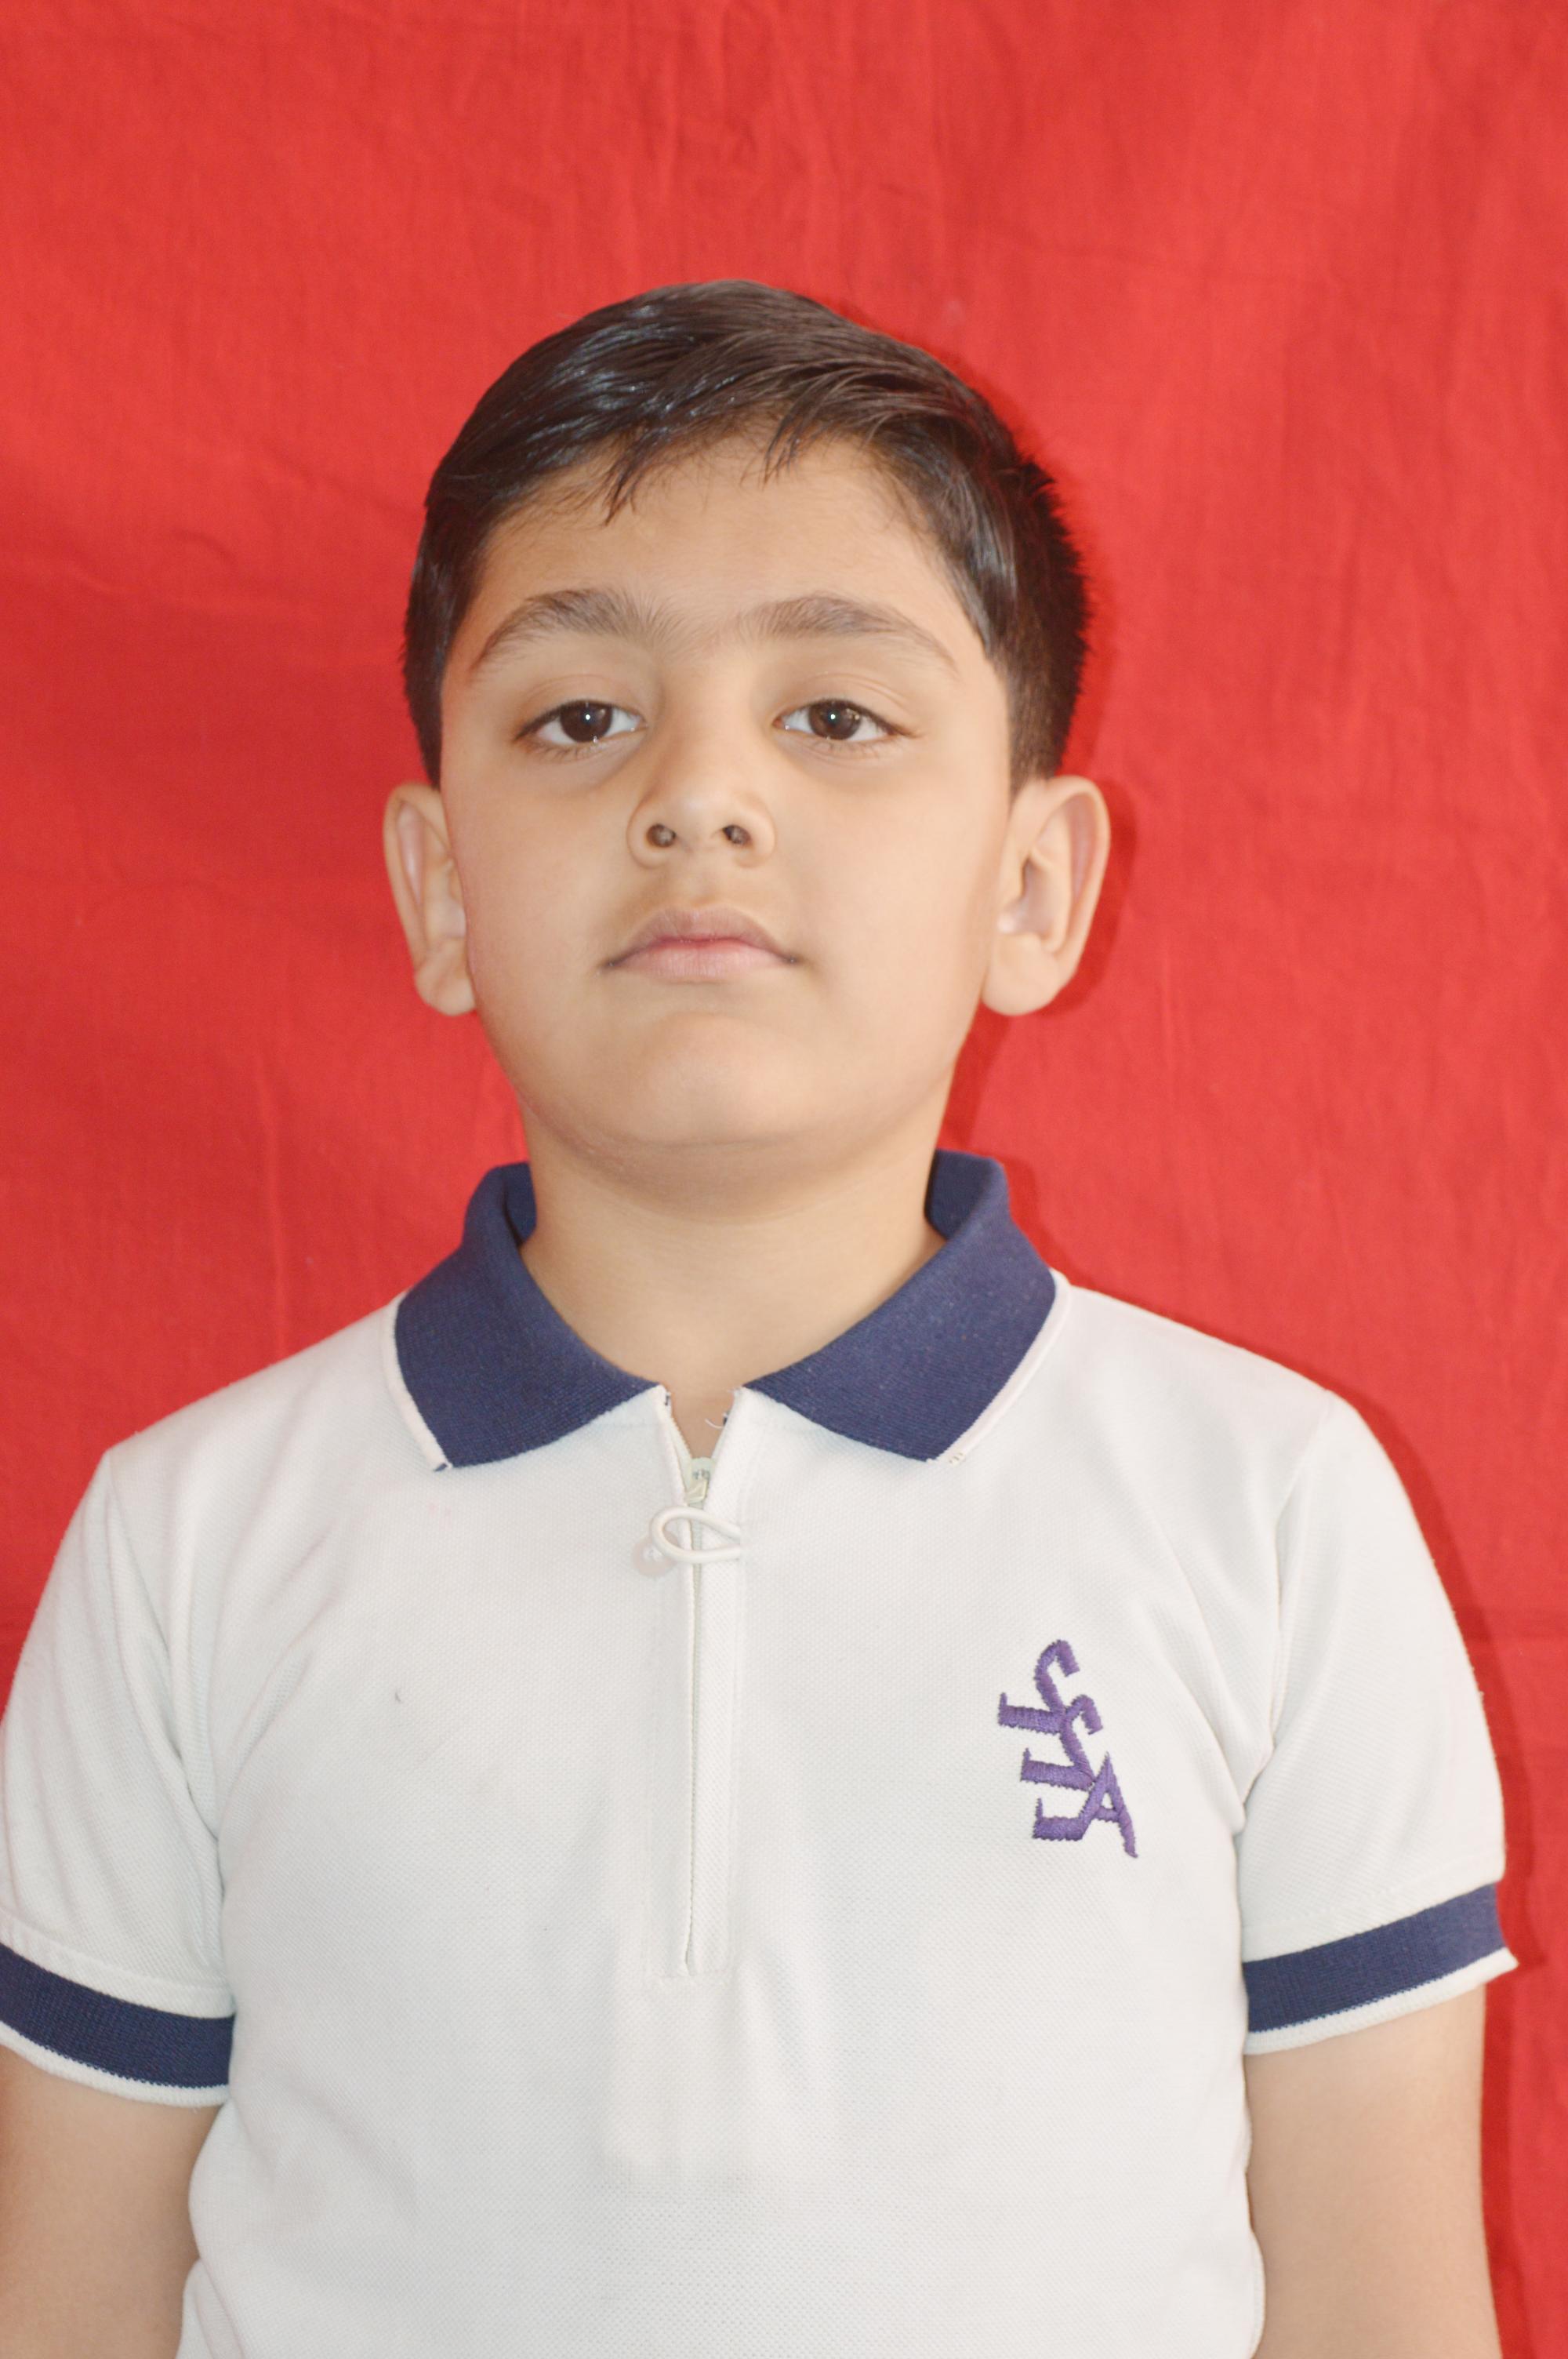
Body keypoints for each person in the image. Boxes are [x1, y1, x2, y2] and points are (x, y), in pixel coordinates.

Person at [0, 280, 1515, 2359]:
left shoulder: (1269, 1513)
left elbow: (1380, 2311)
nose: (700, 797)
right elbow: (67, 2307)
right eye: (580, 718)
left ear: (1033, 887)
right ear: (439, 892)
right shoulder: (190, 1544)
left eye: (834, 717)